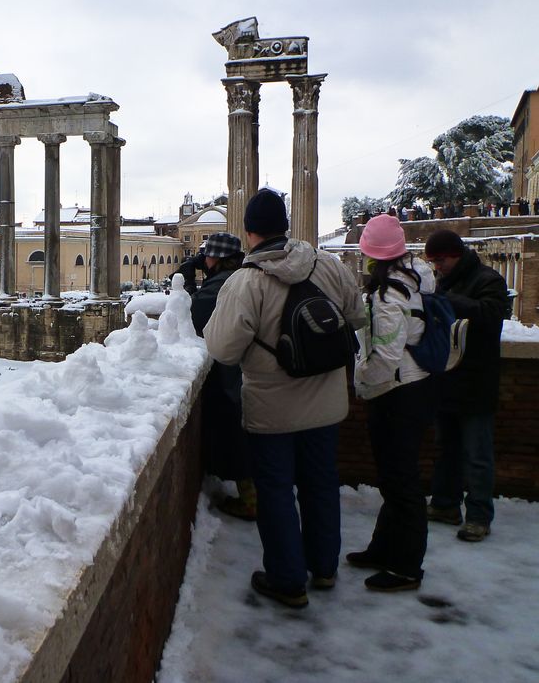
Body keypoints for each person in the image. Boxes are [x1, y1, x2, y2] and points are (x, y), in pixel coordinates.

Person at [204, 190, 366, 608]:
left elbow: (223, 350)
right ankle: (324, 568)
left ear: (249, 231)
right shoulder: (327, 265)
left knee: (276, 491)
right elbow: (357, 316)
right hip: (327, 403)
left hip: (272, 411)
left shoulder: (246, 281)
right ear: (286, 226)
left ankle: (287, 579)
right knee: (320, 485)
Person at [348, 215, 436, 592]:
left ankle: (406, 568)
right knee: (393, 478)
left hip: (397, 393)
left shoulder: (388, 295)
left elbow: (385, 356)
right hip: (410, 389)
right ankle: (384, 549)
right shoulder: (412, 281)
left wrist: (361, 382)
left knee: (402, 482)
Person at [424, 230, 511, 542]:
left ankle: (478, 515)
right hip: (447, 381)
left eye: (441, 260)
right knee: (445, 449)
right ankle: (446, 504)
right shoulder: (441, 282)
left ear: (457, 255)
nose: (437, 267)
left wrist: (446, 302)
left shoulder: (488, 279)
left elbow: (490, 315)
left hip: (476, 382)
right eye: (432, 261)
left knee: (477, 454)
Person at [191, 232, 254, 520]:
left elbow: (194, 313)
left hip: (232, 375)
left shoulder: (221, 284)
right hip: (246, 372)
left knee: (239, 440)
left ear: (217, 258)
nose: (203, 259)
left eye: (207, 255)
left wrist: (188, 281)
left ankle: (253, 502)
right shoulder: (242, 277)